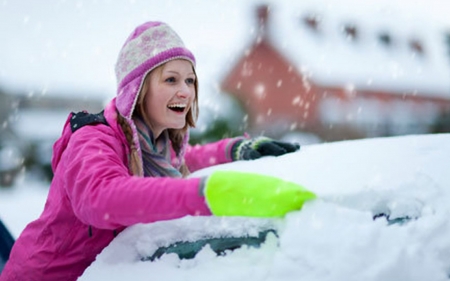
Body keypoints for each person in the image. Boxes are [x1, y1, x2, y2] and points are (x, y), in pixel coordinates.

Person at [0, 21, 315, 281]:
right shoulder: (93, 139)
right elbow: (101, 197)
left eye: (190, 80)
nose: (185, 91)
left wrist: (236, 149)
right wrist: (204, 194)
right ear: (138, 89)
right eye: (171, 79)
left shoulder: (156, 145)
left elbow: (187, 158)